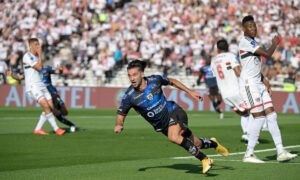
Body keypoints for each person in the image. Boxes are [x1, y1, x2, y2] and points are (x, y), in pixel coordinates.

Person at [114, 60, 229, 174]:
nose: (132, 78)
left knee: (173, 137)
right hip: (163, 126)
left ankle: (205, 159)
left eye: (134, 75)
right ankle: (214, 144)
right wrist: (119, 125)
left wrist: (190, 92)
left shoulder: (155, 80)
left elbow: (172, 81)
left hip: (174, 111)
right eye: (129, 76)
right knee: (197, 143)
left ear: (142, 74)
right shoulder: (129, 96)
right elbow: (121, 113)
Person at [238, 15, 297, 163]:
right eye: (250, 26)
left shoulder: (253, 42)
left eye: (254, 25)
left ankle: (280, 151)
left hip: (258, 82)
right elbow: (268, 54)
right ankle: (249, 154)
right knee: (259, 117)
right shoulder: (245, 42)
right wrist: (275, 43)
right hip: (249, 84)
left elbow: (253, 66)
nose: (253, 28)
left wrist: (264, 80)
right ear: (244, 29)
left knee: (271, 115)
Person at [7, 65, 77, 132]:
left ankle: (38, 128)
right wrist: (12, 75)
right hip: (43, 95)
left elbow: (58, 72)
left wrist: (61, 70)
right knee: (53, 111)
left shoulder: (46, 68)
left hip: (53, 93)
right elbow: (19, 77)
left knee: (64, 112)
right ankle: (71, 125)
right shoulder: (31, 71)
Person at [211, 39, 252, 142]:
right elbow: (238, 72)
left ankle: (246, 134)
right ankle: (255, 131)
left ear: (217, 49)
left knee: (244, 113)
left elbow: (216, 76)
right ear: (228, 47)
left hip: (225, 94)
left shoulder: (213, 60)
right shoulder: (231, 56)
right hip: (236, 90)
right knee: (254, 109)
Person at [22, 38, 66, 135]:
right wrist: (40, 54)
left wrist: (60, 70)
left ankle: (37, 129)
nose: (38, 46)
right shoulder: (27, 56)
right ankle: (56, 129)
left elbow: (44, 69)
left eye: (38, 44)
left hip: (41, 85)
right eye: (36, 45)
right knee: (46, 105)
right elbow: (39, 67)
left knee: (50, 108)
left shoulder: (36, 57)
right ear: (30, 46)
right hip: (33, 86)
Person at [197, 54, 224, 119]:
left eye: (209, 58)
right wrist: (198, 80)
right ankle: (219, 111)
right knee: (212, 100)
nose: (208, 59)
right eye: (207, 58)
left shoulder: (214, 66)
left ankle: (216, 107)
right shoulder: (203, 68)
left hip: (216, 84)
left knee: (220, 99)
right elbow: (200, 75)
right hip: (208, 85)